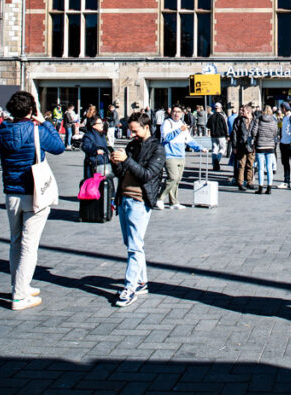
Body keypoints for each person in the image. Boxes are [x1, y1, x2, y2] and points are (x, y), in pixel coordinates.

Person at [0, 90, 65, 310]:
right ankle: (20, 296)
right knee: (29, 245)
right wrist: (45, 123)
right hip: (34, 191)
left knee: (15, 240)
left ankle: (20, 285)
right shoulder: (36, 130)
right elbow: (59, 148)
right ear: (32, 110)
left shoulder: (0, 130)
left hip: (11, 190)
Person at [110, 109, 165, 307]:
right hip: (124, 198)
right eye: (130, 131)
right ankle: (142, 282)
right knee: (132, 243)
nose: (131, 135)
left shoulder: (157, 148)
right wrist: (116, 163)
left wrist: (127, 160)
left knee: (134, 246)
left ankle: (130, 287)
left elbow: (147, 174)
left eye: (134, 131)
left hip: (139, 201)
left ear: (146, 127)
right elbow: (123, 172)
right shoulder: (132, 145)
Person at [158, 105, 201, 208]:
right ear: (171, 113)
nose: (176, 114)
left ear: (182, 113)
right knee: (173, 177)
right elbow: (166, 137)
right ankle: (159, 198)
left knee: (177, 179)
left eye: (179, 112)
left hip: (180, 154)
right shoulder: (167, 123)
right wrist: (179, 130)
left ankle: (174, 202)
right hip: (169, 154)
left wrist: (199, 147)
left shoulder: (182, 124)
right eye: (174, 112)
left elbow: (188, 139)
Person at [252, 104, 279, 194]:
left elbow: (254, 132)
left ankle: (260, 187)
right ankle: (269, 187)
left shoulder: (258, 119)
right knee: (269, 168)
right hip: (270, 146)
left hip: (260, 145)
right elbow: (275, 133)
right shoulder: (273, 120)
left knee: (260, 168)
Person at [231, 105, 256, 191]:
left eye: (243, 111)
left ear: (248, 112)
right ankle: (240, 183)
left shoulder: (254, 120)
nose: (241, 112)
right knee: (241, 165)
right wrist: (234, 146)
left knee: (250, 164)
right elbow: (234, 133)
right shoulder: (238, 120)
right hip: (241, 145)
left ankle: (249, 182)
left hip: (251, 146)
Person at [81, 114, 112, 178]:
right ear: (94, 125)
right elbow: (85, 146)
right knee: (94, 185)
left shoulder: (102, 134)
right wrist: (95, 150)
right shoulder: (88, 135)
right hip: (94, 163)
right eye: (100, 123)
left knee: (106, 183)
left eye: (102, 123)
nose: (102, 125)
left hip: (104, 162)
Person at [278, 102, 291, 189]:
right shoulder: (284, 117)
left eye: (281, 108)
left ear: (284, 108)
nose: (280, 110)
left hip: (290, 144)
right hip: (283, 143)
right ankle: (286, 181)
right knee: (285, 163)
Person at [207, 102, 229, 172]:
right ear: (220, 108)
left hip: (213, 135)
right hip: (221, 135)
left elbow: (207, 125)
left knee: (214, 149)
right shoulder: (222, 116)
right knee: (222, 149)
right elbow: (225, 126)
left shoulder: (211, 116)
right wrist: (227, 135)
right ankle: (217, 160)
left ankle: (214, 164)